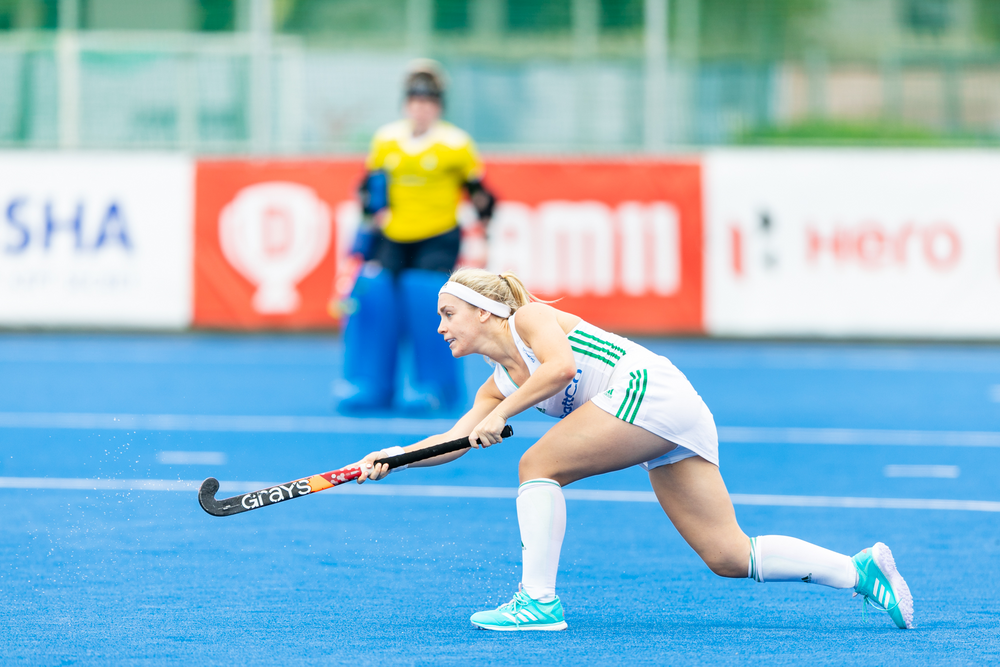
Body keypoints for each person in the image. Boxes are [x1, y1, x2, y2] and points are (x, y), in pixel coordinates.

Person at [354, 267, 914, 632]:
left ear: (483, 311)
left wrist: (502, 416)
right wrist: (392, 457)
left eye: (447, 314)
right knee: (727, 555)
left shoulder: (529, 319)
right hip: (663, 412)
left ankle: (538, 602)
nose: (440, 327)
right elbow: (453, 443)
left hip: (651, 389)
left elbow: (560, 367)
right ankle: (858, 570)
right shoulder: (496, 384)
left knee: (537, 464)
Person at [339, 60, 496, 412]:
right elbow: (370, 191)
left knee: (427, 300)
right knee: (376, 298)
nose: (421, 109)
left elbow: (480, 196)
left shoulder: (455, 144)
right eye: (415, 101)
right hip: (392, 236)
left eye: (428, 102)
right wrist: (364, 235)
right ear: (405, 105)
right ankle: (371, 383)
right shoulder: (386, 140)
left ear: (438, 107)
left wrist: (484, 237)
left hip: (437, 236)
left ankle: (435, 385)